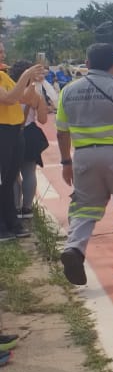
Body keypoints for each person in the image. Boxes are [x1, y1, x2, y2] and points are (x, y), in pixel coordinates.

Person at [55, 43, 113, 284]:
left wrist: (66, 162)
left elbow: (61, 133)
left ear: (87, 64)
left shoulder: (68, 90)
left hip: (84, 158)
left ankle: (74, 248)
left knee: (84, 208)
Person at [0, 45, 48, 240]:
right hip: (2, 130)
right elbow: (10, 99)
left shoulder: (4, 76)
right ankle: (3, 225)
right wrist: (27, 74)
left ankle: (12, 222)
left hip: (14, 131)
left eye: (3, 51)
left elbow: (25, 97)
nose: (3, 55)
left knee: (9, 180)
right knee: (3, 180)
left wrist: (33, 82)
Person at [8, 61, 50, 220]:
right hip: (30, 133)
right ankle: (27, 208)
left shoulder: (9, 92)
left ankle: (14, 207)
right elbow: (43, 119)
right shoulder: (35, 95)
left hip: (10, 133)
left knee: (11, 174)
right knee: (29, 172)